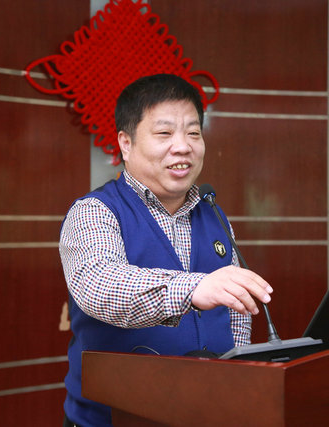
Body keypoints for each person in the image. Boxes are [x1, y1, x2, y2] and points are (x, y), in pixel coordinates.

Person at [59, 73, 274, 427]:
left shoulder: (213, 213)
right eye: (164, 133)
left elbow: (235, 315)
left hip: (207, 415)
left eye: (193, 133)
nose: (183, 146)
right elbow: (100, 286)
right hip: (114, 419)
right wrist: (193, 288)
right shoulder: (94, 212)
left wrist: (239, 380)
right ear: (126, 143)